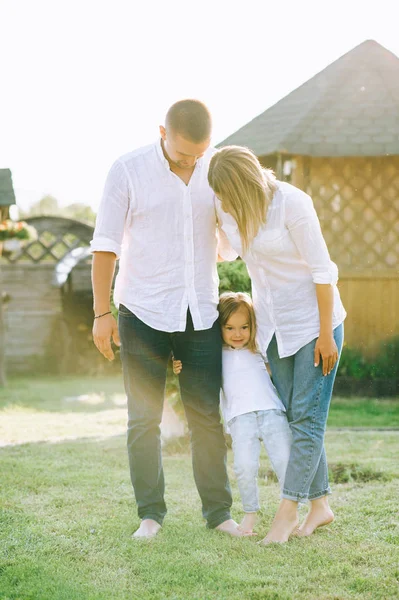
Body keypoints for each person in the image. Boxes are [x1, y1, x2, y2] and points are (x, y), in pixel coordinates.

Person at [90, 100, 239, 539]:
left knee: (205, 415)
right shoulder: (128, 169)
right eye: (181, 155)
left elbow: (229, 246)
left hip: (200, 313)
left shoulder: (214, 170)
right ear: (162, 133)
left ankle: (219, 514)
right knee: (144, 417)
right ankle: (150, 515)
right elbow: (105, 245)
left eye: (198, 153)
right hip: (143, 310)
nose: (190, 162)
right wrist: (102, 313)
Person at [207, 145, 346, 544]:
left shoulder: (291, 204)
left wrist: (324, 335)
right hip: (271, 329)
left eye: (228, 195)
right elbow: (227, 251)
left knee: (307, 418)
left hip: (313, 325)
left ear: (246, 184)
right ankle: (320, 506)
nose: (225, 202)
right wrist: (215, 223)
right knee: (290, 416)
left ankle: (287, 514)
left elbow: (323, 273)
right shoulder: (227, 206)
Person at [173, 291, 292, 535]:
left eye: (244, 327)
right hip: (240, 419)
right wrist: (179, 364)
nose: (238, 334)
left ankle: (291, 510)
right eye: (230, 328)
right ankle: (250, 513)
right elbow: (197, 372)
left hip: (271, 413)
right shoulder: (216, 356)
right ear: (220, 328)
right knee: (244, 468)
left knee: (284, 462)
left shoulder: (258, 348)